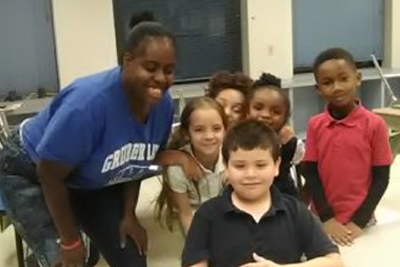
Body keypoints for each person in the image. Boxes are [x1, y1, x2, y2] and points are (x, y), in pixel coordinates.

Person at [0, 17, 198, 267]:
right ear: (127, 61)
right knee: (69, 258)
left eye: (168, 70)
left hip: (86, 176)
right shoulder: (87, 104)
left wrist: (128, 214)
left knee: (131, 258)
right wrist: (69, 241)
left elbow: (137, 161)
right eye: (150, 67)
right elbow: (49, 175)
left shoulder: (163, 106)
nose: (161, 78)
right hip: (30, 168)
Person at [182, 120, 342, 267]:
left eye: (260, 165)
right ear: (226, 166)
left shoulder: (295, 211)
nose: (250, 174)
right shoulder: (208, 214)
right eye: (240, 166)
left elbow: (334, 262)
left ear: (276, 166)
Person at [302, 47, 392, 246]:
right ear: (318, 89)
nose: (337, 87)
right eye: (327, 82)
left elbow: (381, 178)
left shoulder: (375, 124)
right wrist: (327, 218)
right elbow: (312, 173)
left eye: (344, 79)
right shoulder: (315, 124)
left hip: (362, 221)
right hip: (322, 220)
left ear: (358, 78)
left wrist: (358, 222)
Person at [156, 97, 227, 235]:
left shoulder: (232, 157)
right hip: (194, 213)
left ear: (225, 129)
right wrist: (196, 251)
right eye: (199, 130)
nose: (209, 136)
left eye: (217, 128)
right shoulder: (177, 171)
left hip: (222, 212)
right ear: (186, 133)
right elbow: (186, 215)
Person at [247, 73, 304, 197]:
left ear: (286, 117)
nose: (266, 115)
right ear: (247, 111)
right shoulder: (237, 140)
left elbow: (306, 175)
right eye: (258, 108)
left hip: (283, 200)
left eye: (276, 111)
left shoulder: (290, 144)